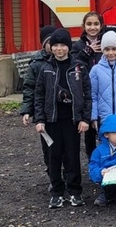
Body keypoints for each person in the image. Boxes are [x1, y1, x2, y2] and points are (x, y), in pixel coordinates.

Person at [34, 28, 92, 209]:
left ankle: (75, 191)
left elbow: (88, 94)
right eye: (56, 45)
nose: (59, 49)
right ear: (51, 47)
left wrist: (85, 119)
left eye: (63, 45)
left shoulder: (79, 67)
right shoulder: (46, 69)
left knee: (72, 156)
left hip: (72, 120)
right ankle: (56, 192)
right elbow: (39, 96)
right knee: (53, 156)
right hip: (52, 120)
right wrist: (40, 119)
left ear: (69, 46)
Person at [20, 25, 57, 170]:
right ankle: (52, 173)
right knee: (48, 145)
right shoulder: (36, 65)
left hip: (63, 111)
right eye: (50, 43)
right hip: (44, 112)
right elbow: (29, 88)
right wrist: (27, 110)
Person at [72, 11, 104, 155]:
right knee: (89, 128)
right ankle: (91, 157)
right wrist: (87, 51)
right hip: (86, 90)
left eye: (96, 24)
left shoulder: (106, 42)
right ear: (84, 26)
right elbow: (72, 64)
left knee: (104, 126)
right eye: (89, 24)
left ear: (101, 25)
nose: (93, 27)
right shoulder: (78, 45)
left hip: (103, 89)